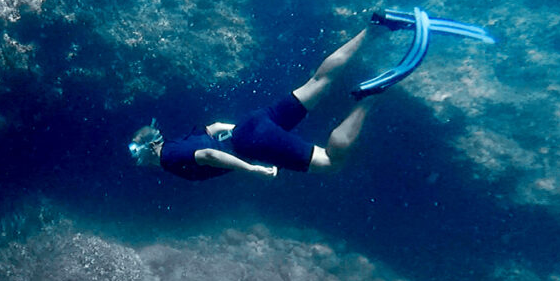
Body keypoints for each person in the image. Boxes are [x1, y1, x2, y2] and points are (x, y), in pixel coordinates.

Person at [129, 28, 377, 181]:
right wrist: (251, 131)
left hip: (251, 141)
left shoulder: (168, 157)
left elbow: (209, 154)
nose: (133, 156)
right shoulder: (175, 142)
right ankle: (373, 28)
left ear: (151, 146)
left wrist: (251, 169)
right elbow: (214, 127)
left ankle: (368, 99)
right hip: (250, 125)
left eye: (134, 149)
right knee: (317, 82)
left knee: (331, 163)